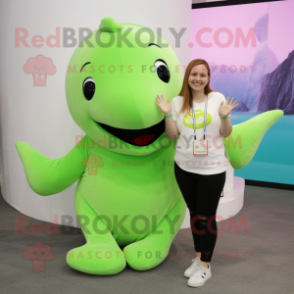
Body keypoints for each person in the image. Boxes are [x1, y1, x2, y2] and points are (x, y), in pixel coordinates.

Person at [155, 59, 239, 287]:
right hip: (184, 167)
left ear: (208, 78)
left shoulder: (217, 99)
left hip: (212, 169)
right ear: (188, 77)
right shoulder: (178, 101)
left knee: (206, 217)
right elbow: (173, 135)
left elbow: (226, 133)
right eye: (194, 74)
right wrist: (166, 114)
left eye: (203, 75)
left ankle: (205, 267)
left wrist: (224, 116)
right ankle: (199, 256)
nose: (198, 78)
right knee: (194, 214)